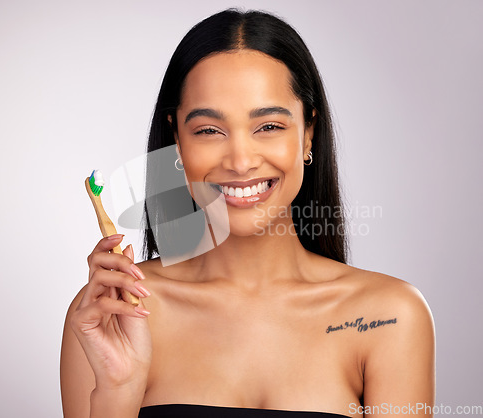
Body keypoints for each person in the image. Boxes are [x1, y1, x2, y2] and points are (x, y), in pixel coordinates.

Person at [60, 8, 435, 418]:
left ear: (309, 133)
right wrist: (118, 390)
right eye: (208, 130)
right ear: (177, 143)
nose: (240, 162)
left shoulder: (388, 317)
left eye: (269, 126)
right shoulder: (111, 313)